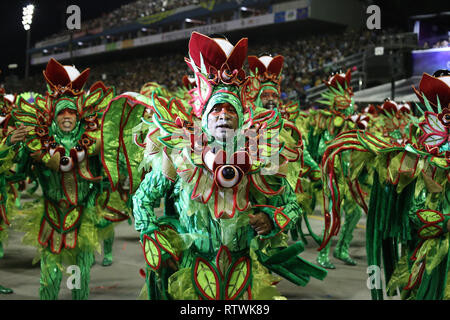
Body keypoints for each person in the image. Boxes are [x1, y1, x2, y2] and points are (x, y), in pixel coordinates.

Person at [103, 32, 327, 300]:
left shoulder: (262, 152)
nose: (223, 115)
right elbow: (142, 200)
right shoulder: (180, 154)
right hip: (192, 272)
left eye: (230, 109)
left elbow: (291, 204)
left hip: (243, 275)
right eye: (216, 109)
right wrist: (155, 243)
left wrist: (271, 219)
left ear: (241, 115)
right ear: (205, 115)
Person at [7, 58, 117, 299]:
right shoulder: (36, 142)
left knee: (80, 275)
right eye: (61, 112)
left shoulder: (96, 140)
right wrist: (9, 145)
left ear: (79, 114)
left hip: (84, 215)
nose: (67, 116)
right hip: (51, 215)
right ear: (53, 114)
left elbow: (113, 172)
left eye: (71, 112)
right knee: (50, 276)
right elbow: (12, 173)